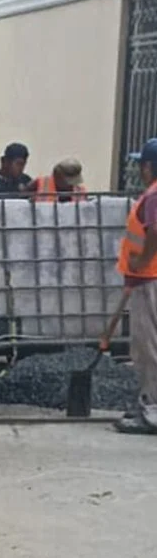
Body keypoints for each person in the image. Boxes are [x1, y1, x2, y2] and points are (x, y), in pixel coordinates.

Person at [114, 139, 157, 435]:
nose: (139, 170)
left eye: (141, 164)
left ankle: (152, 409)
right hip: (147, 279)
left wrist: (141, 261)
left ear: (149, 166)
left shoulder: (153, 196)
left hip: (150, 280)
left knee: (148, 347)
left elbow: (154, 231)